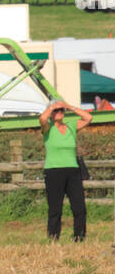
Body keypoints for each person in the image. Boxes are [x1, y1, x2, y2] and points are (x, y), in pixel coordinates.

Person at [39, 98, 92, 242]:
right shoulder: (48, 127)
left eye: (61, 110)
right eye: (56, 110)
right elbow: (42, 118)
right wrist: (52, 107)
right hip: (54, 171)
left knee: (79, 206)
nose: (59, 112)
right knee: (55, 208)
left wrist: (68, 106)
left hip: (73, 170)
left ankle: (79, 237)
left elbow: (88, 117)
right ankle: (53, 237)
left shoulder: (71, 125)